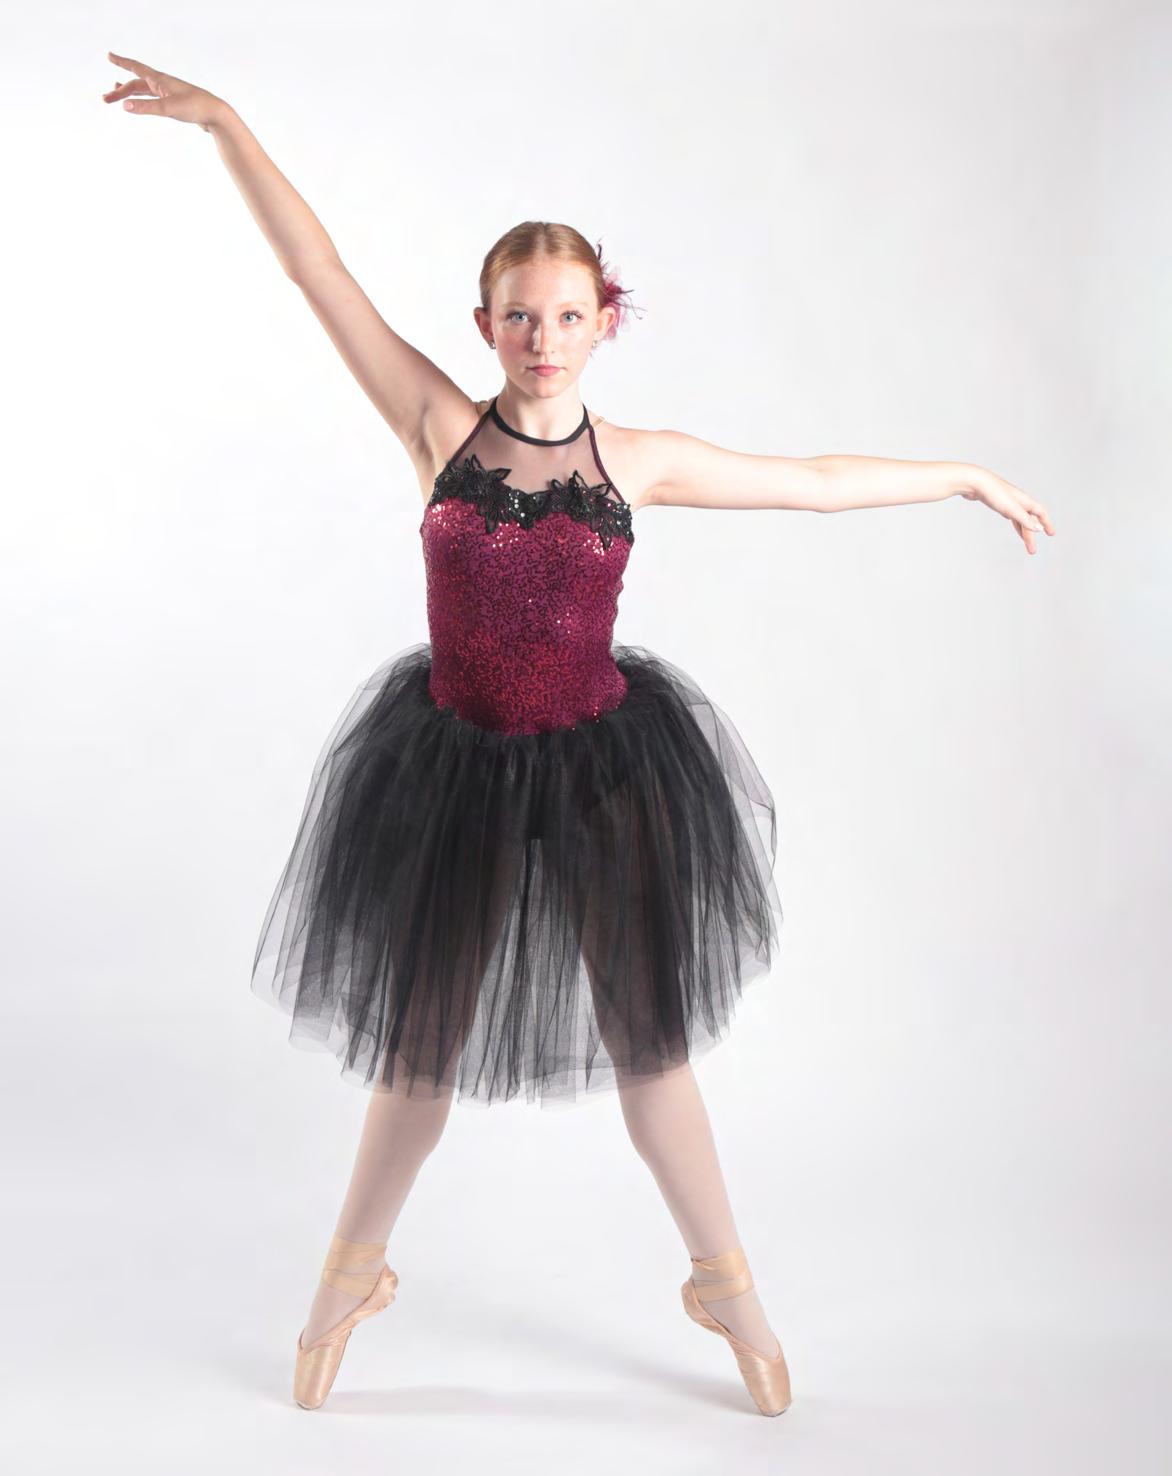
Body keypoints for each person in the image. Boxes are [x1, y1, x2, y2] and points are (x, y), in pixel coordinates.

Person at [102, 50, 1056, 1418]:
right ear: (485, 324)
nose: (542, 338)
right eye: (519, 317)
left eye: (566, 315)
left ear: (605, 320)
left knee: (650, 1049)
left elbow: (811, 482)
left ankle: (724, 1281)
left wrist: (964, 475)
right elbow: (319, 274)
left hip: (606, 769)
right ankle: (350, 1274)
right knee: (421, 1051)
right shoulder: (436, 425)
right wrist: (225, 124)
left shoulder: (636, 461)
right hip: (455, 769)